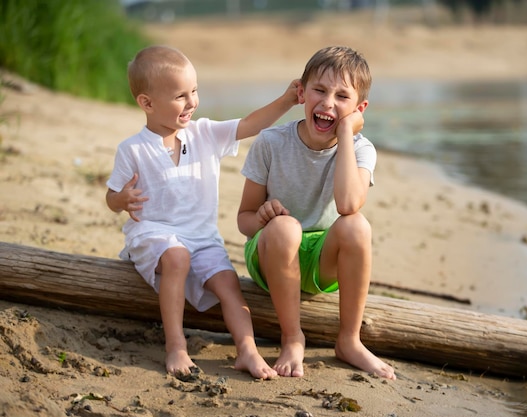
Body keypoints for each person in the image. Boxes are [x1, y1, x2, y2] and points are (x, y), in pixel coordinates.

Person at [105, 45, 298, 380]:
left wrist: (287, 100)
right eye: (181, 95)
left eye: (194, 91)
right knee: (177, 257)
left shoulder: (204, 132)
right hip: (154, 231)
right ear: (147, 103)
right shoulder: (133, 149)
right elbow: (111, 197)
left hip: (203, 236)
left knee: (228, 284)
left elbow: (251, 124)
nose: (192, 101)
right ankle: (176, 345)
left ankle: (247, 350)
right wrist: (122, 199)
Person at [237, 45, 396, 380]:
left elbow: (348, 205)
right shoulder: (271, 142)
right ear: (301, 93)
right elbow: (244, 220)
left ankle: (349, 340)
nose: (327, 103)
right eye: (319, 91)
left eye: (342, 97)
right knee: (286, 229)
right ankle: (293, 337)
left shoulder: (361, 149)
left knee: (357, 227)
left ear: (359, 109)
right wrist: (264, 218)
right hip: (272, 251)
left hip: (320, 262)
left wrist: (344, 134)